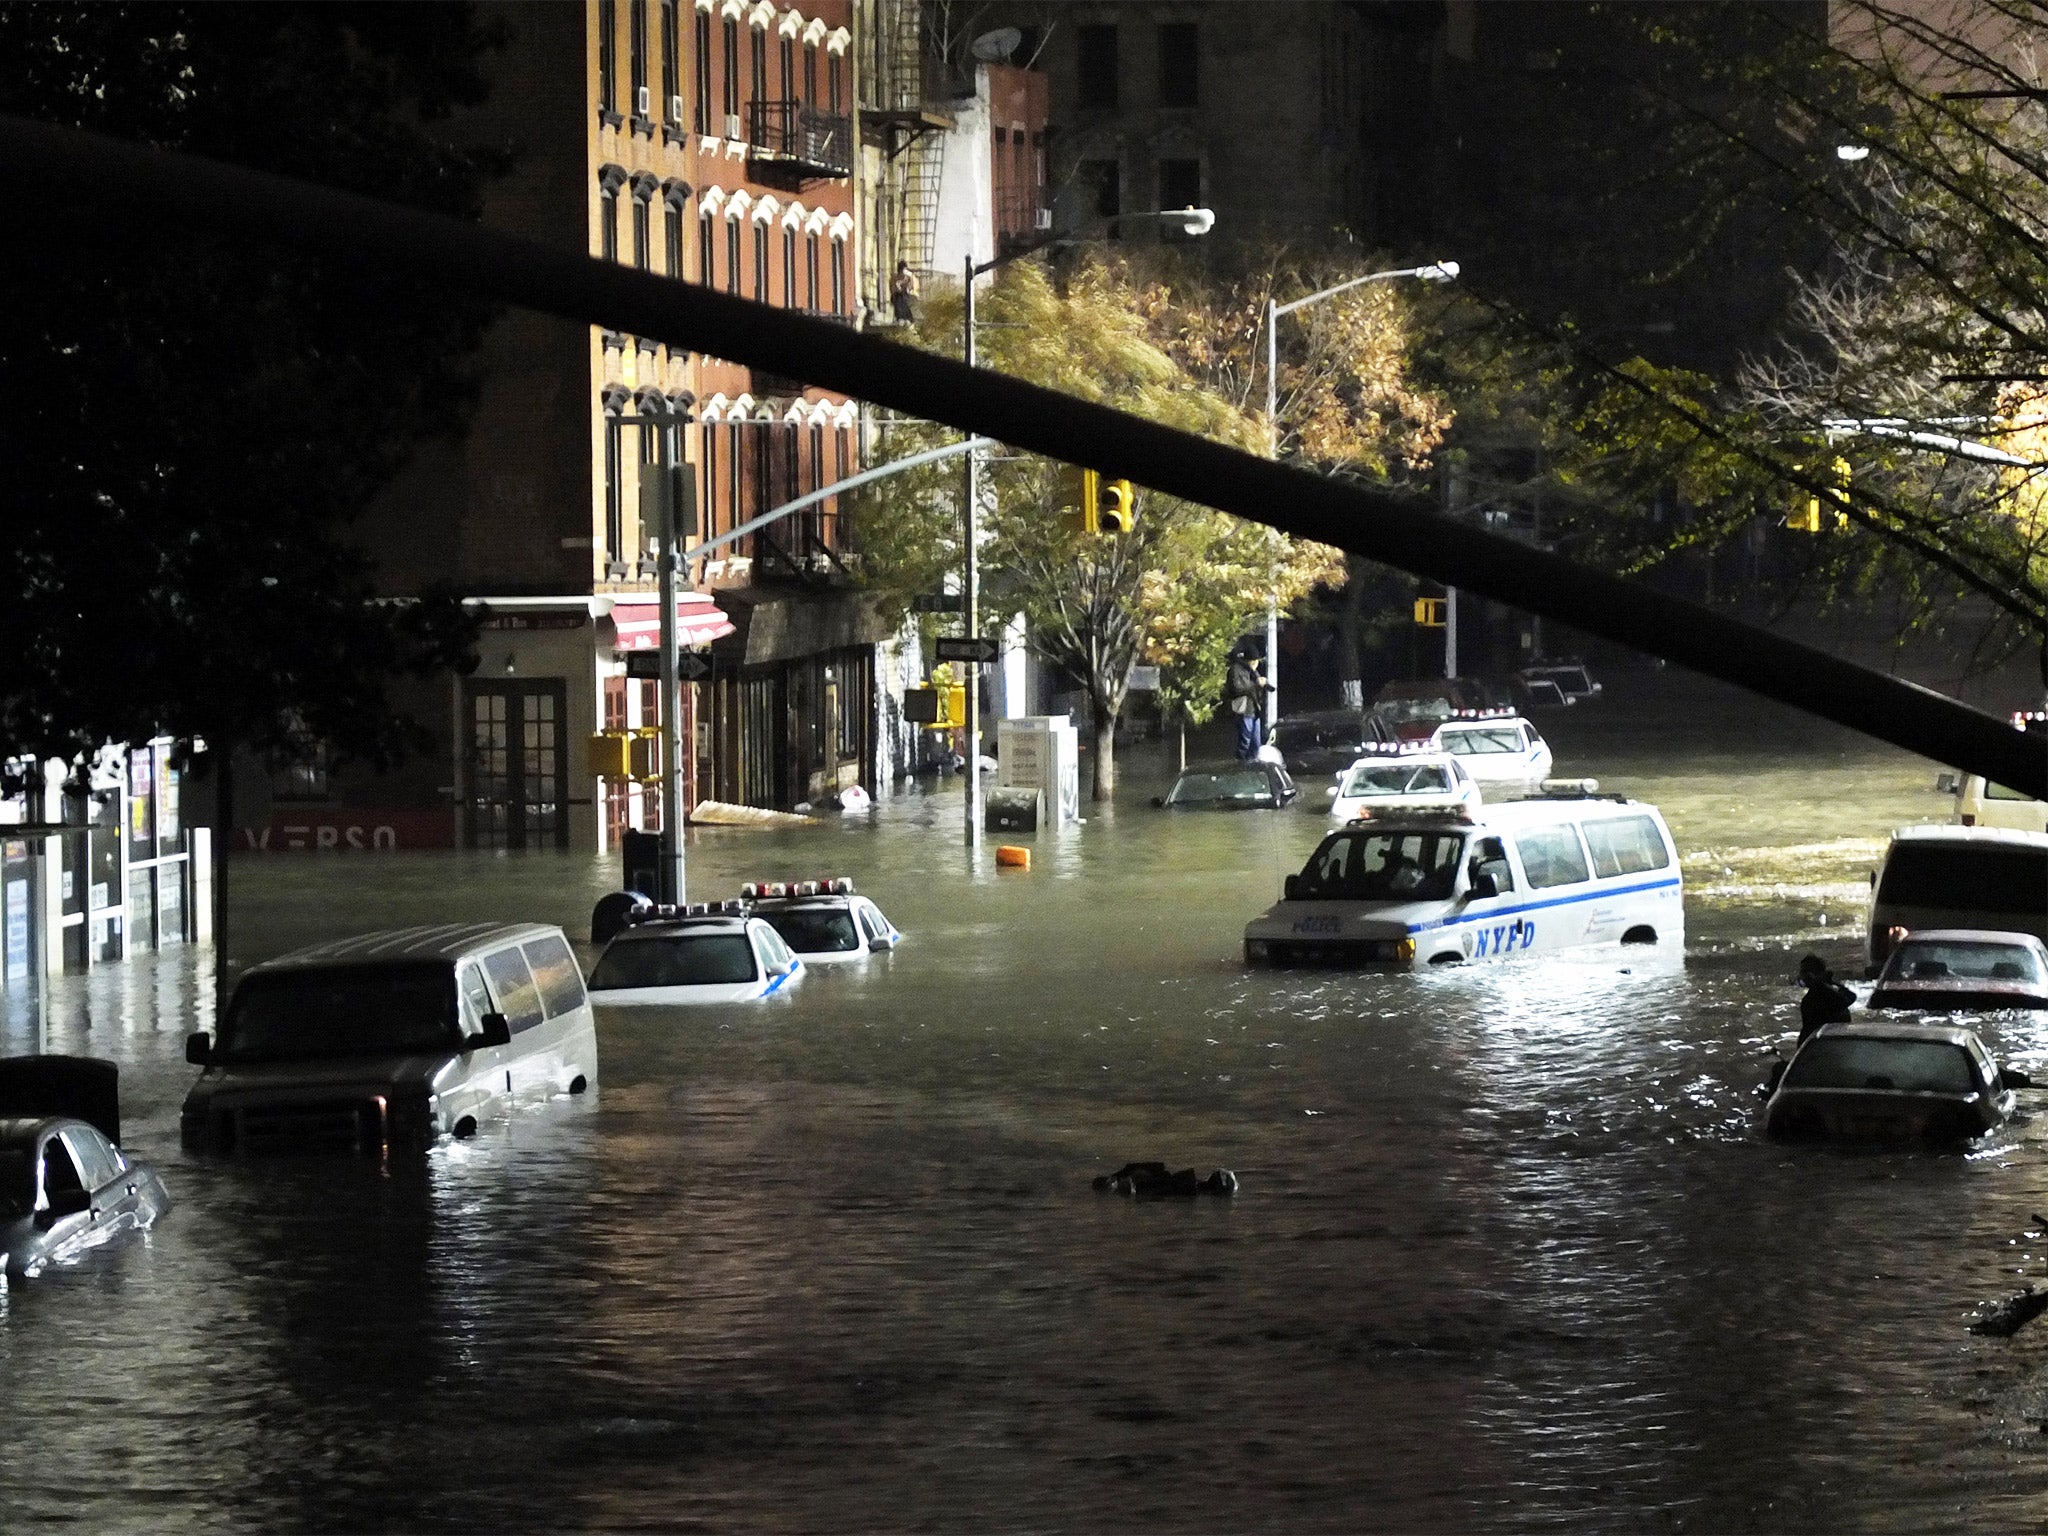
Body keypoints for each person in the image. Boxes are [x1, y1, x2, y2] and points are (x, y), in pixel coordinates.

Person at [1797, 954, 1855, 1042]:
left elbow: (1807, 1031)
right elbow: (1851, 997)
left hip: (1823, 1043)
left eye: (1802, 973)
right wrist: (1831, 983)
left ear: (1809, 975)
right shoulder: (1833, 992)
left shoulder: (1812, 999)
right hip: (1840, 1041)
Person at [1225, 648, 1267, 761]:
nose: (1256, 664)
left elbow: (1256, 688)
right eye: (1254, 661)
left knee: (1256, 743)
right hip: (1244, 710)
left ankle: (1251, 764)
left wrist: (1262, 684)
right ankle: (1240, 764)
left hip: (1254, 710)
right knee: (1245, 741)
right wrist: (1255, 684)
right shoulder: (1236, 670)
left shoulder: (1253, 671)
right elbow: (1236, 688)